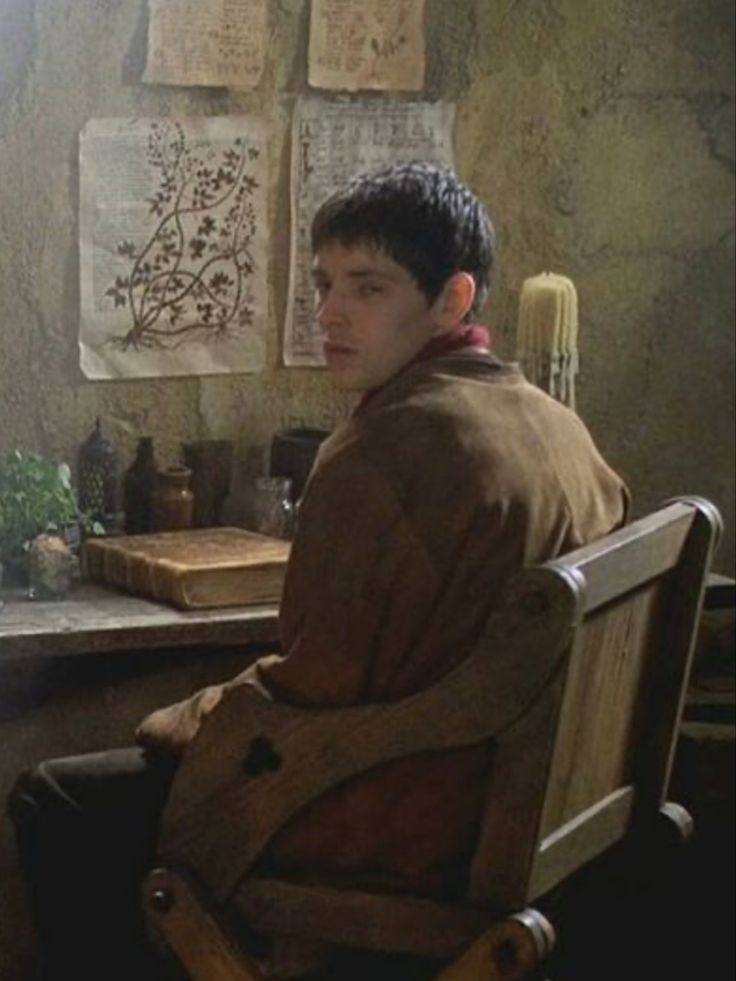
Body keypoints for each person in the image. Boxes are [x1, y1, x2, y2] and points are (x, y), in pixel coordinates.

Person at [8, 162, 629, 980]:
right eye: (323, 283)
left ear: (453, 298)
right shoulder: (558, 426)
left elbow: (308, 693)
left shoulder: (386, 448)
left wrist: (185, 717)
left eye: (367, 288)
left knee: (59, 798)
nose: (329, 314)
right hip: (527, 802)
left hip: (407, 822)